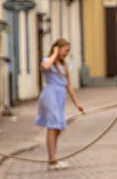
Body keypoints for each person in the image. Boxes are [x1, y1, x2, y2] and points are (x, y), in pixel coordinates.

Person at [35, 38, 85, 170]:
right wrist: (55, 53)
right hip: (50, 95)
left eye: (68, 51)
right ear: (57, 48)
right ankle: (52, 160)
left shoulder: (65, 66)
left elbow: (69, 85)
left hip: (60, 96)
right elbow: (45, 67)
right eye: (65, 50)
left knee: (58, 126)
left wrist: (77, 103)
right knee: (53, 125)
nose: (66, 54)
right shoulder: (48, 61)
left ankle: (53, 158)